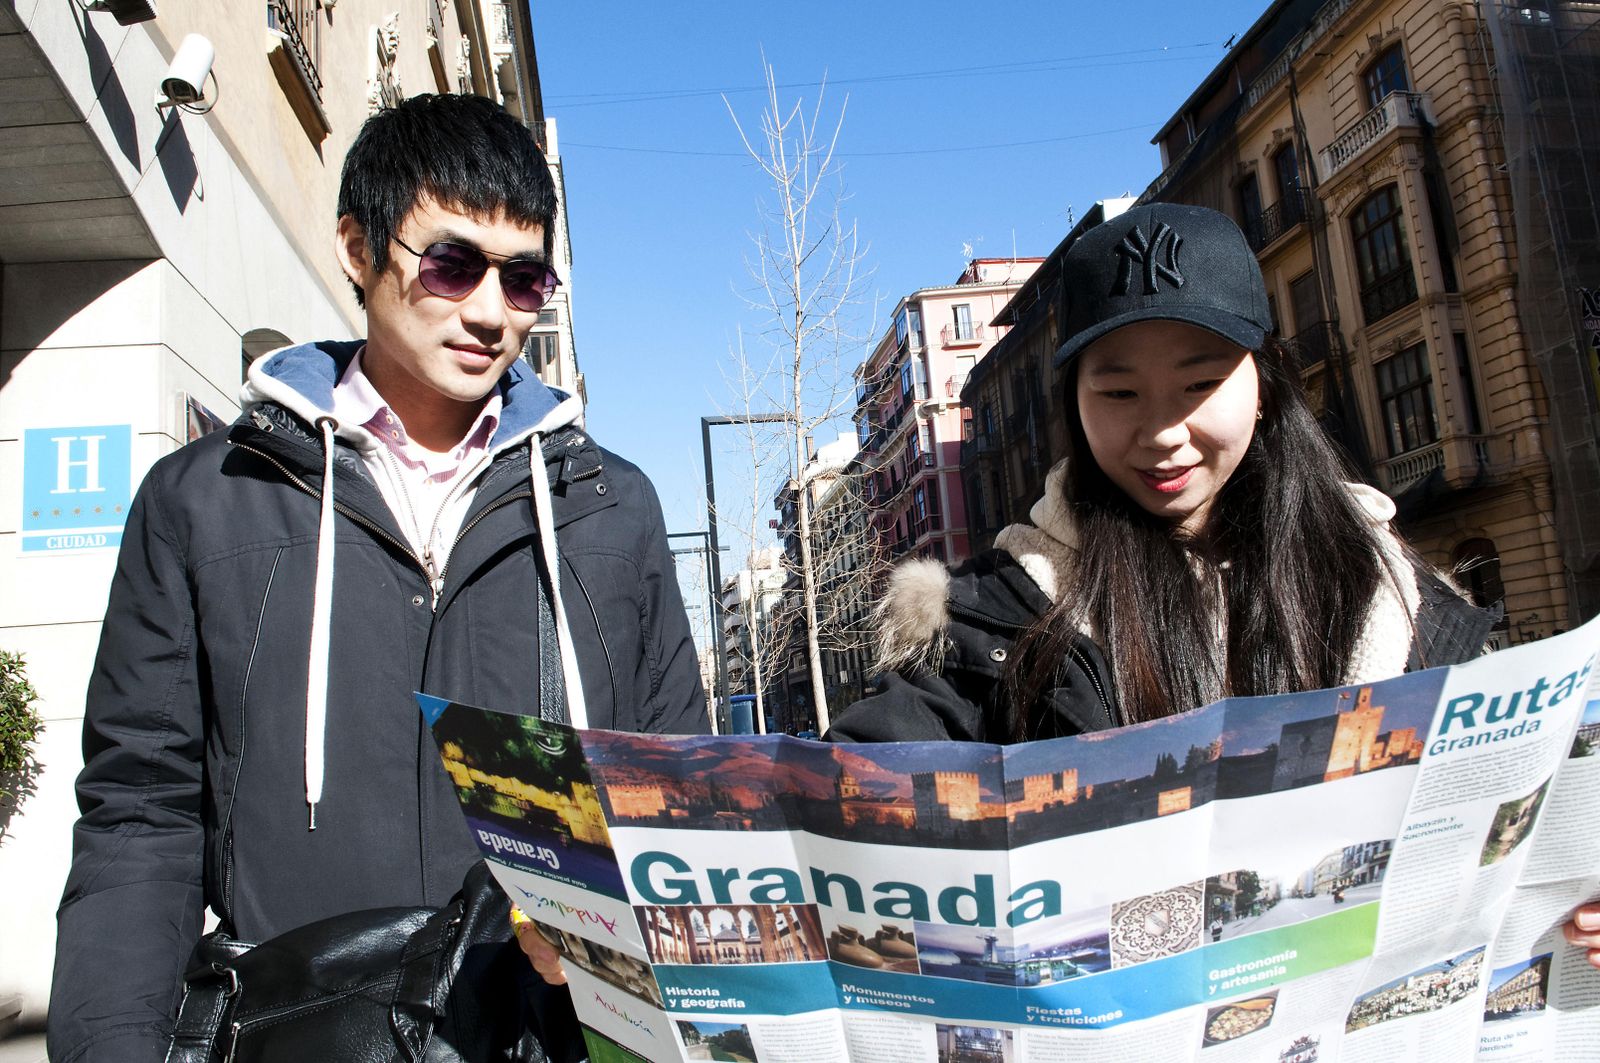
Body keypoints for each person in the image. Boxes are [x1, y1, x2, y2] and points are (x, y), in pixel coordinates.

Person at [48, 94, 707, 1063]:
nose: (488, 310)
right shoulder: (205, 501)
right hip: (294, 1035)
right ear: (358, 249)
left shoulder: (611, 510)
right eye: (451, 264)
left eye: (523, 280)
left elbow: (676, 809)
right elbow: (140, 820)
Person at [825, 202, 1600, 969]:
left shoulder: (1400, 600)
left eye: (1199, 383)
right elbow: (846, 792)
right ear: (1076, 403)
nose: (1162, 432)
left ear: (1264, 384)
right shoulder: (996, 623)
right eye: (1119, 392)